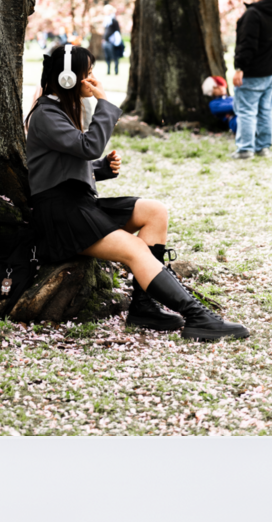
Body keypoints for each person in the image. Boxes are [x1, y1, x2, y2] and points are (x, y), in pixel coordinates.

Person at [26, 44, 249, 339]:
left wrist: (100, 169)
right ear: (69, 78)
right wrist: (104, 102)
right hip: (61, 217)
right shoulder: (46, 114)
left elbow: (68, 161)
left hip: (78, 206)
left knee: (154, 212)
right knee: (135, 250)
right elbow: (88, 145)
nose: (92, 78)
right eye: (88, 73)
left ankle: (144, 307)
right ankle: (197, 317)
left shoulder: (60, 110)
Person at [232, 0, 272, 159]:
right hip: (270, 71)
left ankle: (245, 149)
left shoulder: (253, 15)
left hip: (253, 72)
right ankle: (263, 147)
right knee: (264, 111)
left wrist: (239, 68)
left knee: (246, 110)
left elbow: (247, 45)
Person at [102, 7, 122, 75]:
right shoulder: (106, 21)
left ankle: (116, 71)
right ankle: (108, 71)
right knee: (107, 57)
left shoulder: (114, 21)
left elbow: (117, 32)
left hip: (112, 42)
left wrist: (116, 41)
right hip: (106, 42)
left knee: (115, 57)